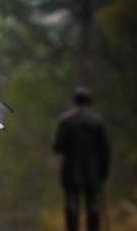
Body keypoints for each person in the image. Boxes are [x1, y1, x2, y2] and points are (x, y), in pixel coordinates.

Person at [53, 87, 111, 231]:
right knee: (92, 203)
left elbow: (58, 147)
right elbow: (105, 150)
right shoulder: (98, 121)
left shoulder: (66, 121)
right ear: (89, 101)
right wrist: (103, 172)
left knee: (72, 202)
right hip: (92, 171)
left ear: (75, 101)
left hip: (71, 170)